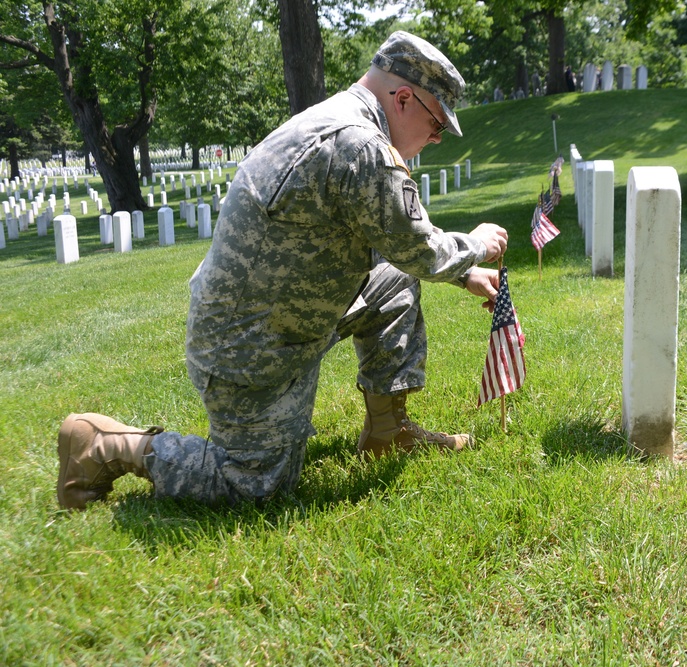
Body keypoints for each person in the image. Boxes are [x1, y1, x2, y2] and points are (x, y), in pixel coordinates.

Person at [56, 31, 508, 510]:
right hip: (250, 349)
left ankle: (387, 431)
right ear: (402, 98)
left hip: (285, 315)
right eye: (436, 125)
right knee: (254, 489)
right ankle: (105, 443)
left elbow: (393, 247)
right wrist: (476, 246)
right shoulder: (359, 145)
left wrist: (463, 274)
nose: (434, 139)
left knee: (393, 284)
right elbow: (420, 248)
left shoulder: (340, 120)